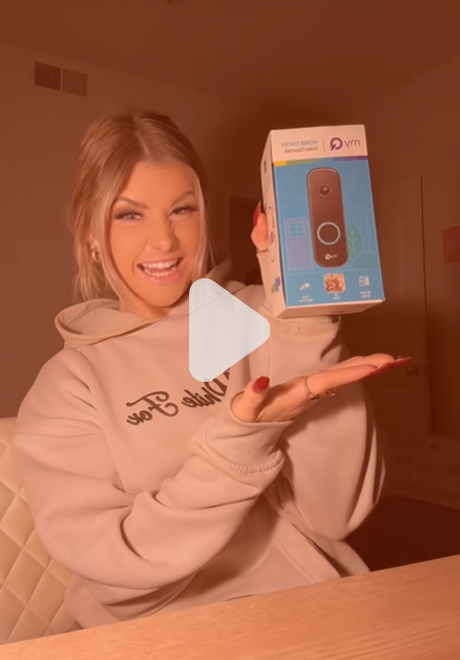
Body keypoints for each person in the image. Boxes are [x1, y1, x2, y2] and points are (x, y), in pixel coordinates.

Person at [12, 110, 406, 630]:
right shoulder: (68, 385)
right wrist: (237, 448)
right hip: (166, 635)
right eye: (130, 215)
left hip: (320, 611)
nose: (164, 241)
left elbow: (335, 514)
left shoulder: (264, 317)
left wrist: (306, 323)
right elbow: (117, 576)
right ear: (89, 231)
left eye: (182, 209)